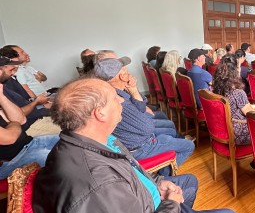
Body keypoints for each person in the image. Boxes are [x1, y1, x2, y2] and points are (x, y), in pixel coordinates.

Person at [32, 78, 233, 213]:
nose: (121, 102)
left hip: (146, 195)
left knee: (189, 181)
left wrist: (158, 182)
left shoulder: (97, 140)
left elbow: (132, 169)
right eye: (115, 99)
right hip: (155, 206)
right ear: (99, 113)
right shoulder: (99, 185)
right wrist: (171, 203)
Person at [93, 58, 194, 175]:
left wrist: (134, 91)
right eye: (125, 70)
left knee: (170, 130)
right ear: (121, 76)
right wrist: (145, 114)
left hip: (136, 140)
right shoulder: (118, 100)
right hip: (141, 147)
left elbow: (141, 109)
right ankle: (164, 175)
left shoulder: (116, 91)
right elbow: (149, 126)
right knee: (189, 146)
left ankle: (173, 149)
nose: (128, 72)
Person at [0, 66, 58, 180]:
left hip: (28, 144)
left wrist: (1, 96)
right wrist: (14, 123)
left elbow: (21, 119)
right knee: (59, 161)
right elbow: (9, 137)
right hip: (9, 161)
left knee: (72, 141)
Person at [212, 55, 255, 145]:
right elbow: (250, 113)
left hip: (223, 128)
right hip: (238, 133)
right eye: (239, 67)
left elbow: (241, 106)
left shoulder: (216, 88)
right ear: (235, 71)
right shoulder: (237, 92)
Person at [0, 53, 50, 130]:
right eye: (11, 70)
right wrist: (37, 102)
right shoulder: (3, 91)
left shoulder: (6, 84)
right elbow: (18, 117)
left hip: (36, 115)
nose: (13, 73)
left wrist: (39, 103)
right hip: (32, 124)